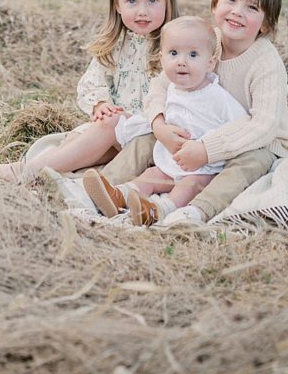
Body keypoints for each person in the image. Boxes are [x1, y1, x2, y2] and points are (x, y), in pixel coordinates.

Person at [93, 0, 288, 228]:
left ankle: (194, 211)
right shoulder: (203, 39)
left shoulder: (265, 64)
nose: (237, 12)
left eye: (252, 7)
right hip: (198, 128)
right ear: (214, 5)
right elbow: (160, 85)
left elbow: (264, 125)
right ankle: (107, 188)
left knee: (249, 164)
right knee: (146, 139)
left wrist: (206, 150)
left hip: (251, 142)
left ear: (266, 25)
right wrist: (159, 124)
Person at [0, 0, 179, 182]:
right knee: (83, 141)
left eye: (153, 1)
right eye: (131, 1)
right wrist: (100, 103)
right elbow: (93, 82)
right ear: (117, 4)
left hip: (151, 136)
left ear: (167, 2)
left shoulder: (175, 46)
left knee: (107, 127)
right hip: (116, 132)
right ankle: (41, 174)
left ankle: (24, 171)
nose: (142, 11)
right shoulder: (114, 45)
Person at [82, 15, 247, 226]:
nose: (181, 61)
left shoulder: (217, 97)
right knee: (151, 175)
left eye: (193, 54)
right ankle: (120, 195)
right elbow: (153, 105)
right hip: (170, 162)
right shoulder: (171, 89)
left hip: (204, 169)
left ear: (210, 63)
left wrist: (207, 148)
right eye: (174, 53)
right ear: (162, 59)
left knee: (188, 186)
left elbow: (240, 126)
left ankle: (159, 210)